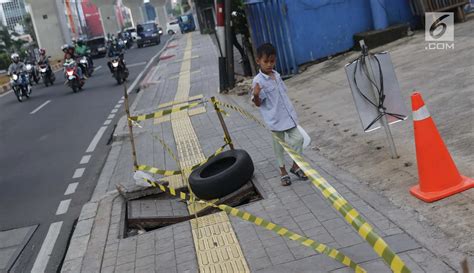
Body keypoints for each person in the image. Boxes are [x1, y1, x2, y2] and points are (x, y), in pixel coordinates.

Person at [251, 43, 307, 186]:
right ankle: (283, 172)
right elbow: (258, 103)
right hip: (275, 121)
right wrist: (256, 95)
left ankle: (295, 166)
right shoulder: (258, 81)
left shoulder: (277, 75)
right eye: (266, 61)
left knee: (299, 139)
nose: (270, 64)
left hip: (288, 117)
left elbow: (283, 95)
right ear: (258, 61)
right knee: (279, 147)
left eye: (272, 61)